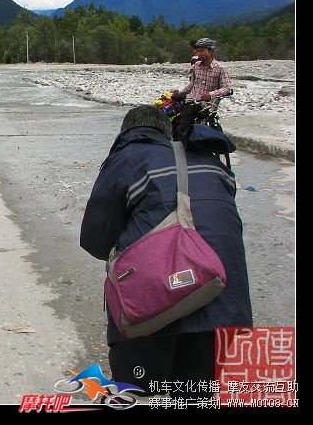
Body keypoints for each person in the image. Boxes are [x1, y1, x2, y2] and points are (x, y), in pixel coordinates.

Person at [79, 105, 252, 401]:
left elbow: (95, 241)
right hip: (227, 306)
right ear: (166, 132)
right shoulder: (212, 160)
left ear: (126, 132)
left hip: (151, 309)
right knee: (196, 397)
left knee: (137, 394)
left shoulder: (125, 160)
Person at [172, 38, 232, 141]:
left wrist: (211, 94)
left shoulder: (220, 68)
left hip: (208, 103)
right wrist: (180, 91)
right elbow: (192, 85)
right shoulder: (196, 66)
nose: (198, 54)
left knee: (184, 126)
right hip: (193, 99)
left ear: (210, 51)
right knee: (175, 104)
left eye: (201, 51)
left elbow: (227, 88)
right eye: (197, 51)